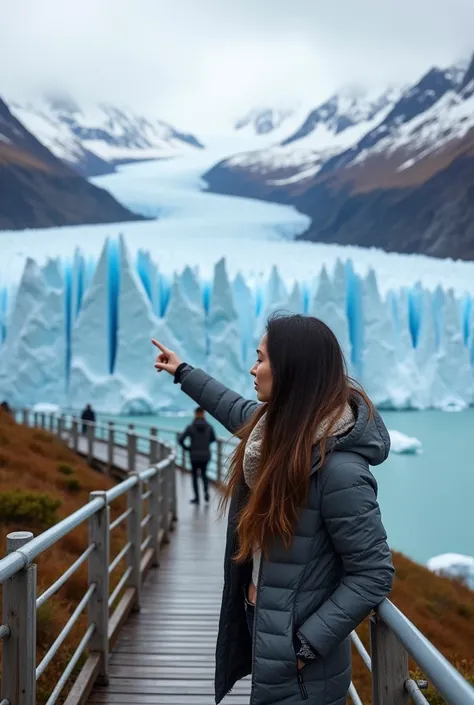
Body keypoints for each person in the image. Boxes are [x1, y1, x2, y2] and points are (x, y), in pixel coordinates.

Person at [152, 314, 394, 705]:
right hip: (263, 620)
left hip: (299, 655)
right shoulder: (276, 432)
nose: (253, 368)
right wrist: (182, 372)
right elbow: (229, 405)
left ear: (292, 370)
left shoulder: (340, 470)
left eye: (262, 359)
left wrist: (303, 647)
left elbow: (373, 572)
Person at [179, 407, 216, 504]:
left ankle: (197, 498)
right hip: (205, 455)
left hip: (194, 456)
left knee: (195, 476)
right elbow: (213, 439)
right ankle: (206, 494)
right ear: (204, 414)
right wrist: (206, 444)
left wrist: (188, 448)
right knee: (204, 474)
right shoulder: (209, 427)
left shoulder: (190, 427)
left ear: (195, 414)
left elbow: (181, 440)